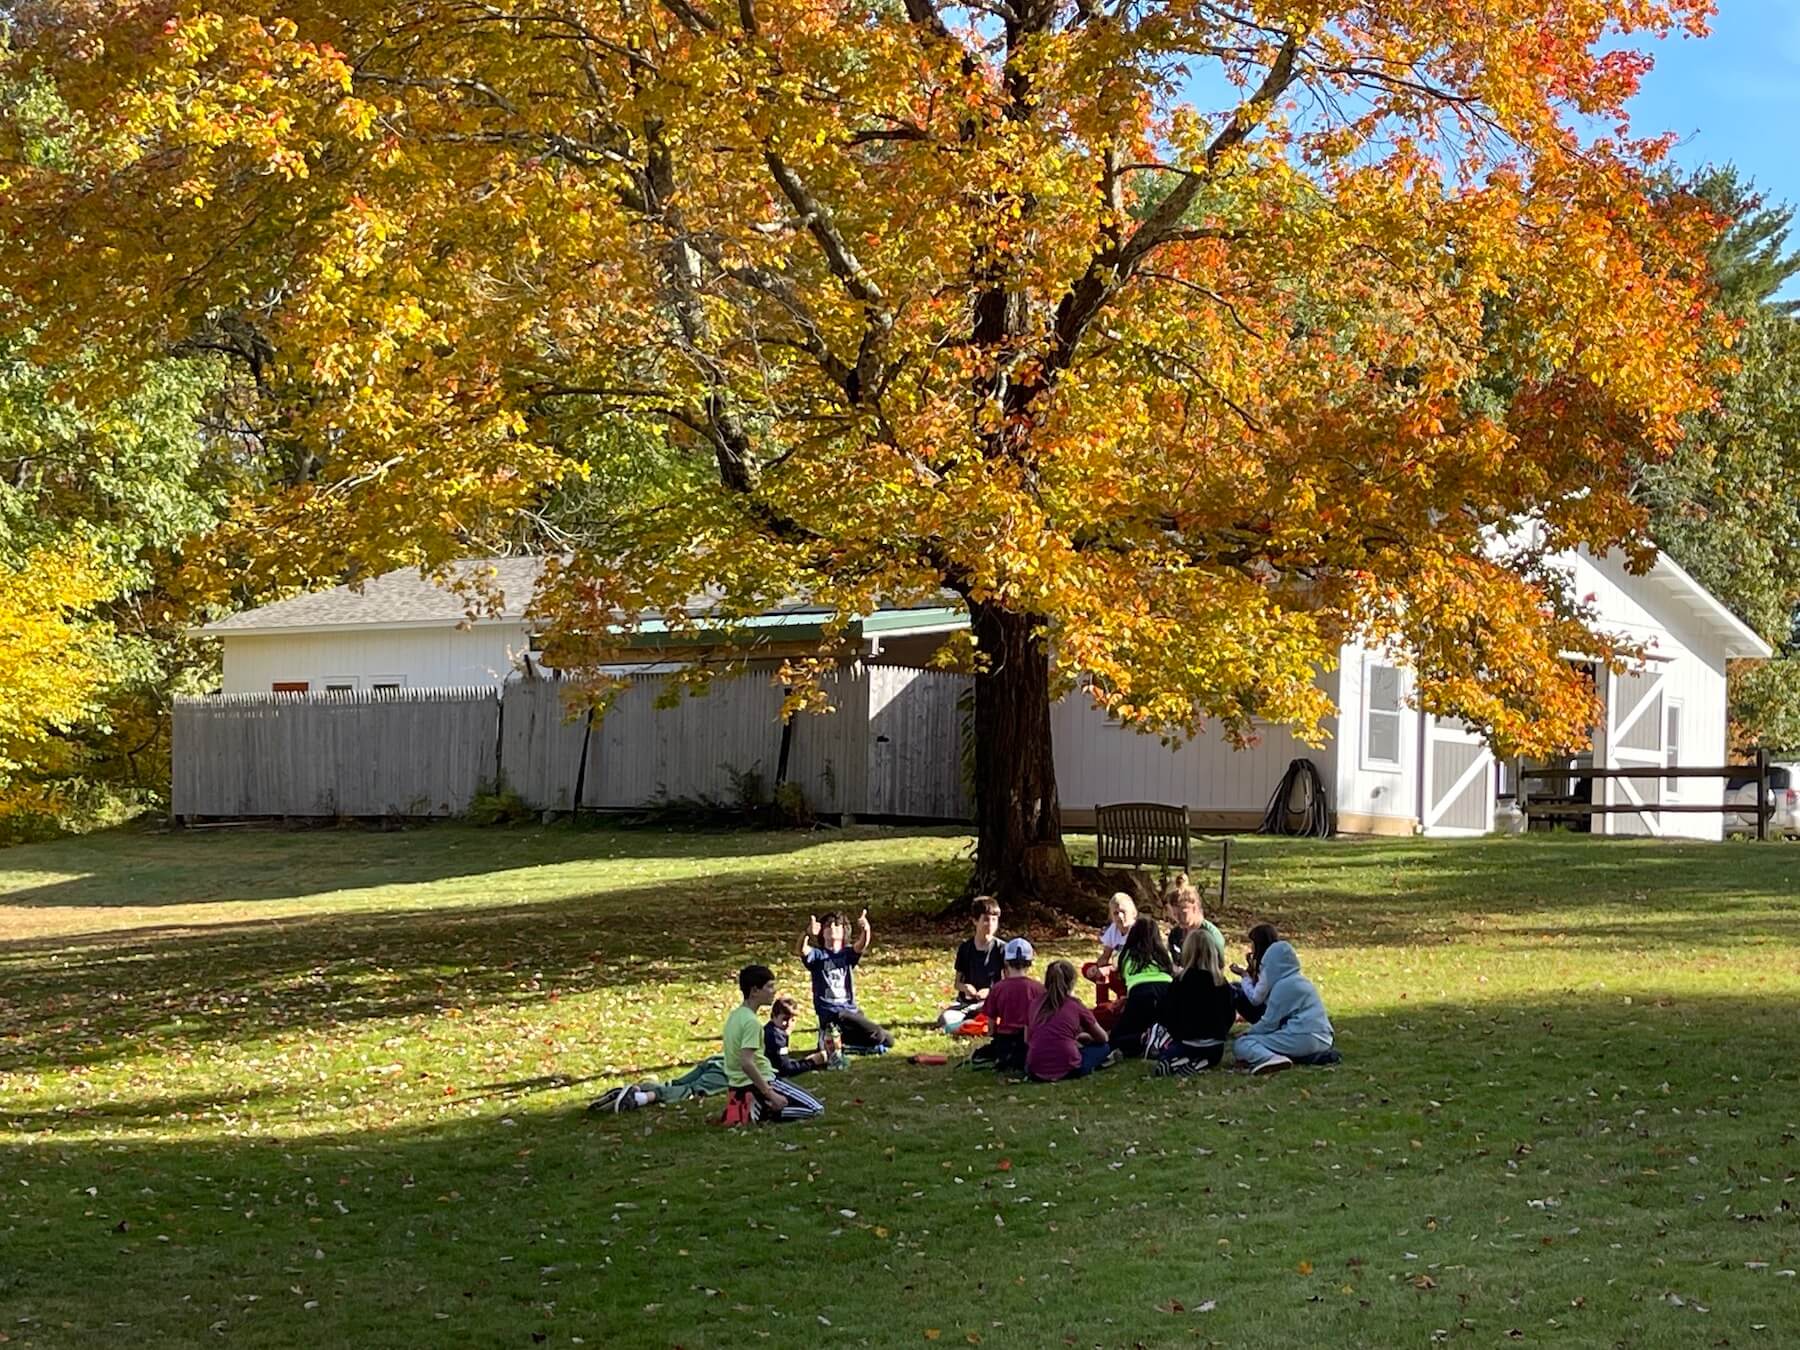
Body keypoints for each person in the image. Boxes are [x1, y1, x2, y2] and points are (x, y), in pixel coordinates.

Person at [723, 964, 825, 1121]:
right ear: (755, 991)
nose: (774, 991)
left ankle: (755, 1106)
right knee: (816, 1109)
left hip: (738, 1084)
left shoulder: (735, 1016)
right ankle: (764, 1112)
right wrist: (770, 1093)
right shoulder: (751, 1022)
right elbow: (746, 1062)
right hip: (761, 1081)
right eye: (769, 986)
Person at [1231, 939, 1336, 1074]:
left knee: (1243, 1044)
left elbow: (1269, 1024)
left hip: (1304, 1037)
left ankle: (1271, 1059)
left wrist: (1247, 1033)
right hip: (1323, 1038)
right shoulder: (1301, 981)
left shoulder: (1284, 986)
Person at [799, 909, 895, 1052]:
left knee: (888, 1040)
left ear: (844, 931)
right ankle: (833, 1040)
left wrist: (866, 930)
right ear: (821, 932)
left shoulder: (847, 954)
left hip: (851, 1012)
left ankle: (838, 1043)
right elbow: (801, 949)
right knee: (879, 1035)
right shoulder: (818, 956)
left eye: (837, 926)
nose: (832, 929)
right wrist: (807, 933)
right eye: (828, 926)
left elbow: (861, 945)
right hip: (832, 1014)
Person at [1152, 928, 1238, 1076]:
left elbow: (1165, 1014)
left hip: (1187, 1043)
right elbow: (1230, 1015)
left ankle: (1181, 1061)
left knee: (1165, 1053)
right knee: (1207, 1055)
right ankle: (1200, 1062)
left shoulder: (1180, 982)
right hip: (1215, 1048)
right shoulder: (1221, 983)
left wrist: (1176, 1032)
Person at [1026, 959, 1119, 1082]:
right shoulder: (1075, 1005)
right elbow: (1103, 1038)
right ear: (1072, 982)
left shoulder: (1034, 1004)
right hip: (1070, 1068)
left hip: (1035, 1069)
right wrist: (1085, 1037)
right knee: (1103, 1047)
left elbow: (1027, 1039)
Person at [970, 937, 1042, 1071]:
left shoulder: (998, 988)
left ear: (1006, 961)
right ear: (1030, 962)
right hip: (1029, 1042)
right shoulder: (1038, 989)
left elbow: (991, 1024)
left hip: (1004, 1041)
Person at [1108, 916, 1175, 1057]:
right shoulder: (1164, 955)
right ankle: (1162, 1038)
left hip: (1141, 991)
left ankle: (1143, 1038)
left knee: (1116, 1037)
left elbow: (1122, 977)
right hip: (1167, 990)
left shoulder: (1125, 955)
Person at [941, 896, 1005, 1030]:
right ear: (975, 921)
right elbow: (957, 983)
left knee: (994, 1014)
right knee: (946, 1019)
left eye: (994, 920)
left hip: (990, 1003)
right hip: (966, 1004)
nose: (991, 924)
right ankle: (970, 1022)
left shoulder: (1002, 949)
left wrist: (990, 991)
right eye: (986, 919)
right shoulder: (965, 948)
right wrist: (966, 988)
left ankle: (975, 1022)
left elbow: (1007, 984)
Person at [1082, 892, 1137, 1025]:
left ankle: (1118, 1004)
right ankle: (1102, 1007)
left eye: (1123, 912)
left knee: (1105, 973)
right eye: (1116, 913)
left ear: (1132, 912)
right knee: (1088, 969)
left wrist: (1108, 969)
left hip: (1132, 973)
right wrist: (1096, 968)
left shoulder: (1137, 929)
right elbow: (1105, 956)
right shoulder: (1113, 929)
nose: (1120, 917)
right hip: (1116, 970)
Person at [1164, 872, 1226, 972]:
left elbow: (1219, 970)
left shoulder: (1211, 936)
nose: (1178, 918)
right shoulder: (1175, 934)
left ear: (1195, 908)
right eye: (1175, 914)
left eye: (1183, 913)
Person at [763, 996, 829, 1077]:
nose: (789, 1024)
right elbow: (786, 1070)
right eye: (785, 1019)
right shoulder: (776, 1037)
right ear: (773, 1016)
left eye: (793, 1020)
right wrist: (812, 1062)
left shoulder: (772, 1030)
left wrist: (805, 1061)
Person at [1230, 923, 1281, 1024]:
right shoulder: (1276, 960)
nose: (1251, 946)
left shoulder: (1268, 967)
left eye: (1252, 943)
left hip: (1267, 1013)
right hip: (1269, 1007)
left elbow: (1255, 998)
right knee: (1236, 985)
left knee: (1233, 991)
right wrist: (1251, 969)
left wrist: (1244, 975)